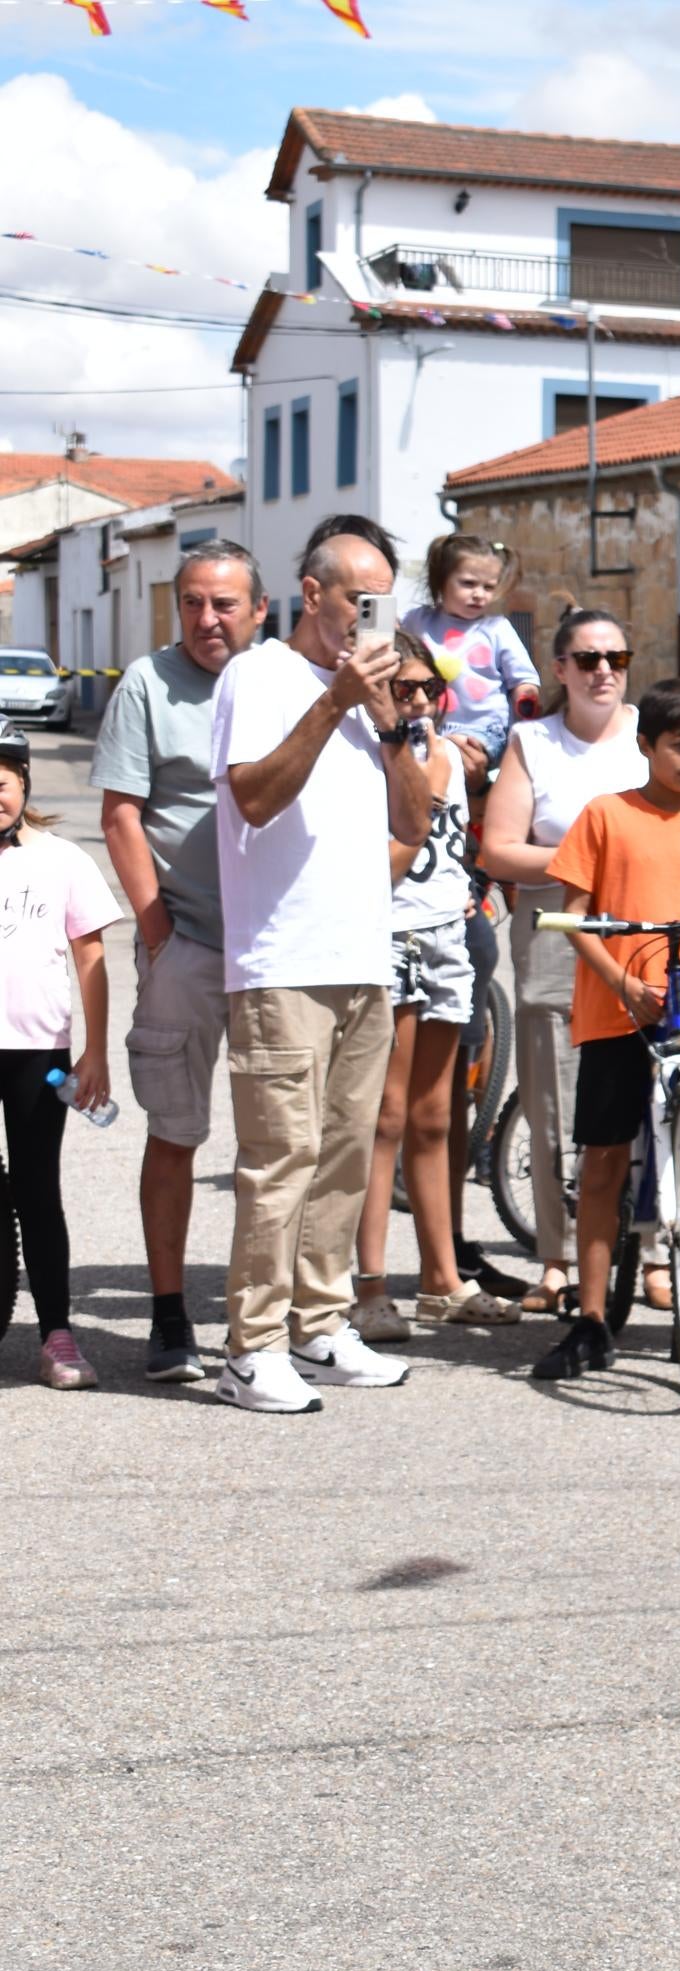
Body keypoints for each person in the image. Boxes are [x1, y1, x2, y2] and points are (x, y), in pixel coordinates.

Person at [207, 530, 435, 1414]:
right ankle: (252, 1347)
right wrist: (334, 704)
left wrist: (391, 725)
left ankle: (319, 1325)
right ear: (311, 593)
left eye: (381, 603)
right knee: (282, 1159)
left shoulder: (374, 699)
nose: (367, 619)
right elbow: (254, 798)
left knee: (344, 1155)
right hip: (281, 962)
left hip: (361, 956)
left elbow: (412, 825)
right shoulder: (259, 676)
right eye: (355, 601)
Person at [530, 679, 680, 1381]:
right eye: (679, 745)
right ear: (645, 746)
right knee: (604, 1160)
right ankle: (591, 1319)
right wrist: (622, 984)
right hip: (619, 1011)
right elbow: (576, 916)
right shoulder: (606, 815)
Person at [92, 538, 259, 1382]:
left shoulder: (279, 683)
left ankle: (266, 1322)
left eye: (224, 603)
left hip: (272, 952)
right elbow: (121, 814)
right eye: (192, 602)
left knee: (277, 1146)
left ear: (258, 609)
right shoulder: (147, 684)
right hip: (186, 943)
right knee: (175, 1133)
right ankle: (168, 1316)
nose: (206, 618)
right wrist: (158, 936)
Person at [349, 633, 523, 1344]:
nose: (420, 701)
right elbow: (386, 858)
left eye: (430, 688)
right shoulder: (368, 756)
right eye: (404, 689)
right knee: (384, 1115)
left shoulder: (450, 753)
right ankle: (368, 1288)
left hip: (448, 936)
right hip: (389, 937)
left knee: (435, 1115)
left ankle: (441, 1279)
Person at [478, 609, 646, 1313]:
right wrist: (589, 859)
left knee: (649, 1096)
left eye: (616, 658)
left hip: (643, 926)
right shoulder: (533, 742)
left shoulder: (650, 734)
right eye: (587, 659)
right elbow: (497, 849)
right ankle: (559, 1260)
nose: (603, 671)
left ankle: (651, 1253)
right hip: (556, 927)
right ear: (560, 670)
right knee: (555, 1099)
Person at [0, 722, 118, 1389]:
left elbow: (91, 957)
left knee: (37, 1188)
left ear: (23, 784)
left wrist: (95, 1052)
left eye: (1, 783)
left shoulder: (61, 859)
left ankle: (57, 1335)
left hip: (36, 1050)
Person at [400, 533, 538, 781]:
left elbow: (523, 678)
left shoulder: (497, 629)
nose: (479, 594)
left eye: (488, 587)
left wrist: (526, 701)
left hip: (484, 730)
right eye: (468, 584)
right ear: (441, 580)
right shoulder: (418, 621)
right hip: (428, 725)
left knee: (453, 755)